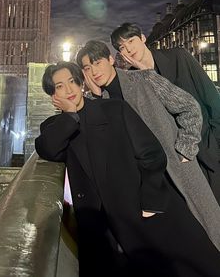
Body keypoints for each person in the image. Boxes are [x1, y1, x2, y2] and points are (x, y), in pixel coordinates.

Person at [35, 61, 220, 277]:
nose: (69, 90)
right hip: (106, 230)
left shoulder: (115, 109)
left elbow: (151, 153)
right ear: (52, 95)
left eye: (72, 82)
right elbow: (47, 149)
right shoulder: (55, 126)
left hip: (148, 210)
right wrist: (70, 116)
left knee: (190, 266)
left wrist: (151, 202)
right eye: (59, 86)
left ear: (80, 83)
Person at [76, 40, 220, 252]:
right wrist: (97, 99)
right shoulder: (98, 102)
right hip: (145, 186)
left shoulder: (144, 78)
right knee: (180, 245)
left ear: (110, 60)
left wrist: (185, 148)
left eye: (97, 63)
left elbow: (189, 107)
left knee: (209, 228)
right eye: (87, 68)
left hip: (176, 169)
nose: (94, 71)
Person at [110, 22, 220, 197]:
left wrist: (215, 144)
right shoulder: (132, 80)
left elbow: (211, 98)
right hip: (176, 162)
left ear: (143, 38)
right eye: (122, 47)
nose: (129, 49)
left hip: (207, 148)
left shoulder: (179, 56)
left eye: (131, 41)